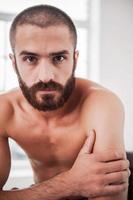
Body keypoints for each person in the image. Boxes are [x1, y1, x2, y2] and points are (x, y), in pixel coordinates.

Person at [0, 4, 130, 200]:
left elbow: (109, 196)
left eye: (59, 58)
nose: (45, 76)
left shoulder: (101, 104)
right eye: (30, 59)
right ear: (14, 62)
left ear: (75, 59)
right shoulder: (4, 110)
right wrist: (70, 183)